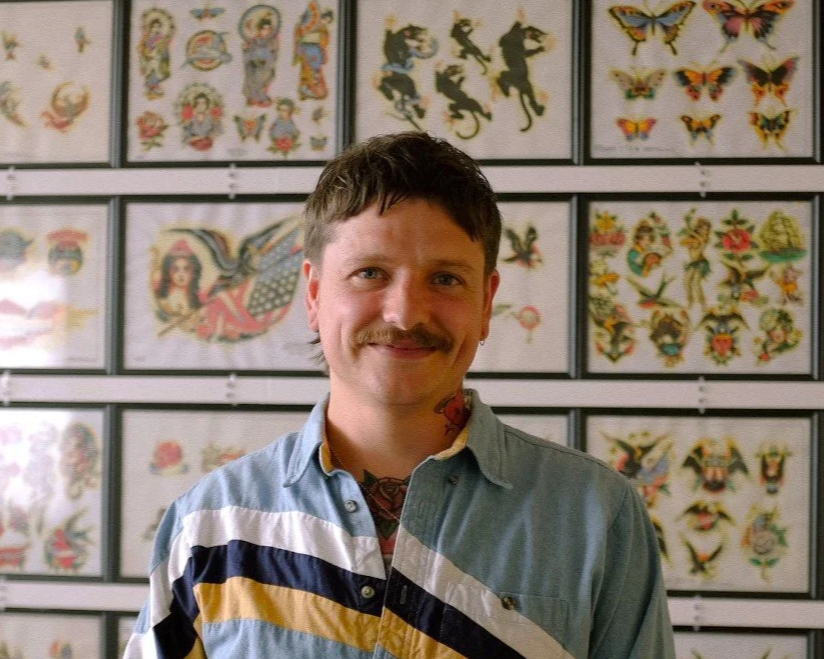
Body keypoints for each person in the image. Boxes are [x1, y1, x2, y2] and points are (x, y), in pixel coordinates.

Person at [124, 132, 675, 659]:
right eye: (370, 273)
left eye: (446, 279)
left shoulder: (596, 515)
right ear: (314, 295)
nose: (406, 313)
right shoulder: (209, 525)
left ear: (486, 303)